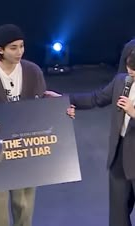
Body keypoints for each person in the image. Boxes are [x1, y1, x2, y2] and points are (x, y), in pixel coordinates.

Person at [0, 23, 74, 226]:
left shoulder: (32, 71)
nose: (19, 51)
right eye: (13, 47)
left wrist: (59, 108)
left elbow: (39, 103)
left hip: (23, 149)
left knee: (24, 207)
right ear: (0, 49)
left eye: (21, 46)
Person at [68, 49, 135, 226]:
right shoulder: (121, 82)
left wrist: (133, 112)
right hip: (119, 155)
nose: (131, 76)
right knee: (118, 213)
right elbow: (96, 98)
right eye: (129, 71)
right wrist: (66, 100)